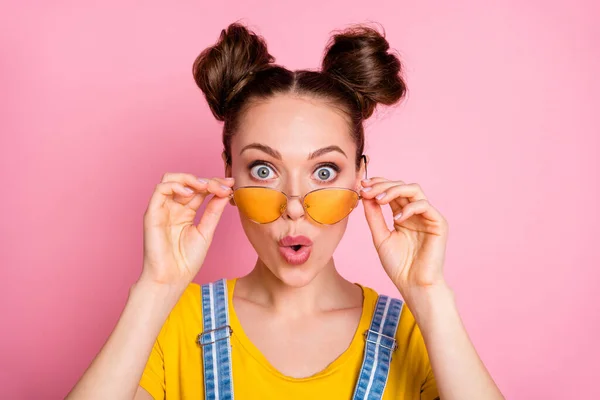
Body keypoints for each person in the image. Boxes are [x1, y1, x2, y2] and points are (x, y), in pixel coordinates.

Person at [66, 22, 504, 400]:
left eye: (325, 171)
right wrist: (156, 287)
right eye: (263, 169)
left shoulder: (418, 333)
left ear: (361, 177)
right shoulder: (172, 325)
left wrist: (430, 295)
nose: (294, 206)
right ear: (228, 176)